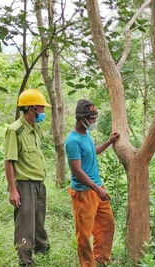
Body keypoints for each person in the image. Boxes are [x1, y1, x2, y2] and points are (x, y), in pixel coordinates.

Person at [65, 99, 120, 267]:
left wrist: (109, 142)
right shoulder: (73, 141)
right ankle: (88, 264)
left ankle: (101, 259)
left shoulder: (86, 135)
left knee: (106, 225)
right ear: (82, 118)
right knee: (84, 235)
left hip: (97, 188)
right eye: (92, 118)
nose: (94, 121)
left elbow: (91, 153)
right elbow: (77, 171)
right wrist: (97, 189)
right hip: (84, 193)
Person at [4, 89, 51, 266]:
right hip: (25, 185)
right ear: (32, 109)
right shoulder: (15, 130)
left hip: (39, 184)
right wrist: (12, 190)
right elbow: (9, 161)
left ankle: (42, 251)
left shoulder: (35, 129)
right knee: (26, 225)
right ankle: (25, 261)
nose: (43, 112)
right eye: (41, 108)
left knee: (39, 221)